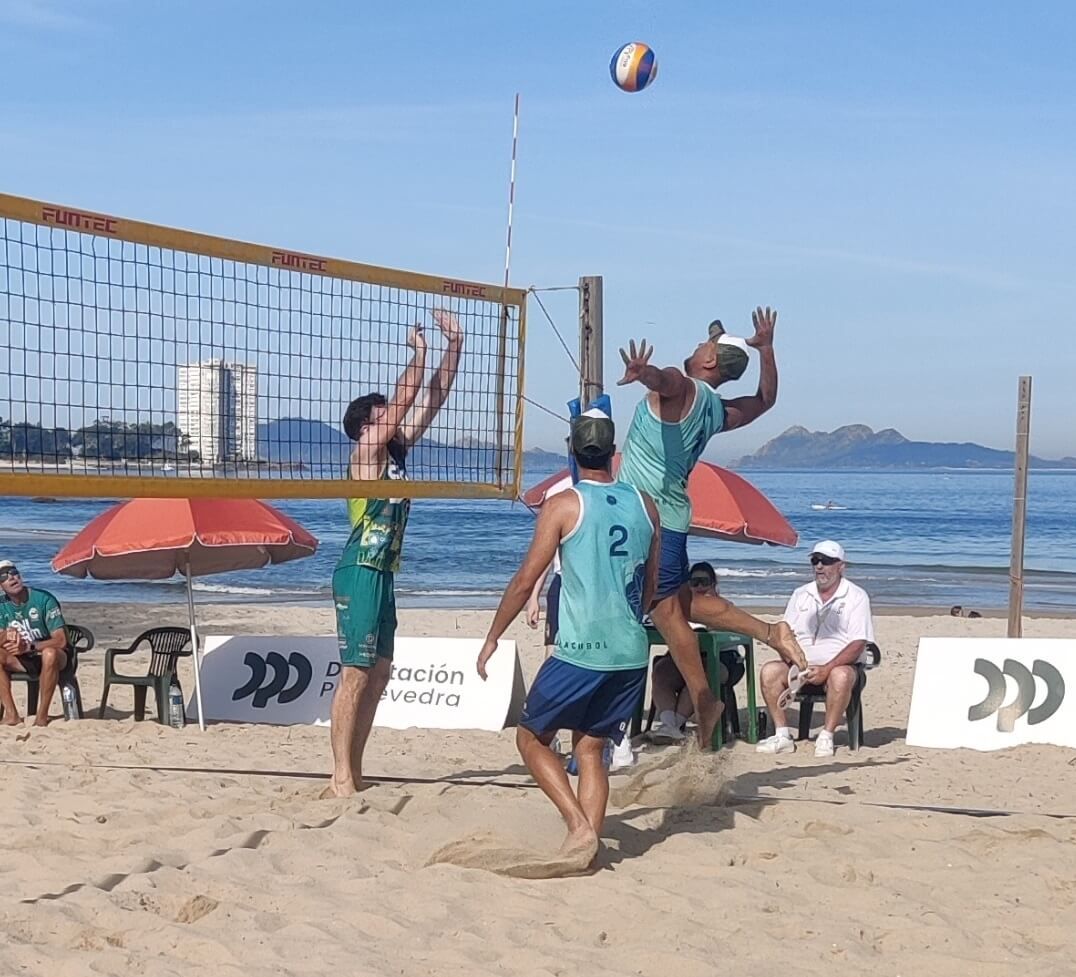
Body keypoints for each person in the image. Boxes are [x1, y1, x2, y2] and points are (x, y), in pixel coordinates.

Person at [476, 410, 659, 866]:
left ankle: (578, 827)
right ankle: (588, 849)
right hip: (631, 649)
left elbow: (526, 580)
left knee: (531, 738)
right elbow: (651, 586)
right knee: (591, 747)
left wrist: (493, 635)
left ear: (572, 451)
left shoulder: (563, 504)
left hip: (582, 650)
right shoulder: (646, 504)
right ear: (614, 453)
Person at [617, 307, 806, 748]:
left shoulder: (686, 389)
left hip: (654, 520)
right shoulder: (718, 411)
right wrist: (767, 350)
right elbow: (765, 400)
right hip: (666, 515)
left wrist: (646, 375)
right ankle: (770, 632)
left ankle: (703, 697)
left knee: (665, 610)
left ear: (710, 361)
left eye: (704, 344)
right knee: (684, 603)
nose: (697, 345)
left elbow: (668, 380)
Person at [325, 310, 464, 797]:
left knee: (379, 674)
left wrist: (454, 345)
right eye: (385, 413)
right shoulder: (364, 455)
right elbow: (407, 397)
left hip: (383, 572)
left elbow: (433, 398)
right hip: (359, 568)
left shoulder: (394, 454)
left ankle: (355, 770)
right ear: (368, 425)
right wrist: (419, 353)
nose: (396, 416)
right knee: (356, 675)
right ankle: (340, 776)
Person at [756, 540, 875, 758]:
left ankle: (826, 736)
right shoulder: (801, 594)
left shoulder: (856, 596)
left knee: (840, 676)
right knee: (769, 671)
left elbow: (858, 643)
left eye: (826, 561)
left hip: (840, 668)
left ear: (841, 566)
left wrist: (826, 668)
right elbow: (785, 634)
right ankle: (782, 735)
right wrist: (794, 662)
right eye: (815, 560)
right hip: (799, 667)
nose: (820, 566)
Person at [649, 561, 746, 743]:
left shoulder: (724, 607)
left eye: (704, 582)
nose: (700, 587)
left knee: (701, 672)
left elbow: (738, 634)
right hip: (684, 658)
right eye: (695, 582)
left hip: (721, 660)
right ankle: (669, 723)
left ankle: (674, 725)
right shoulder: (678, 610)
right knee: (661, 670)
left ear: (713, 584)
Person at [0, 560, 69, 726]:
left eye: (14, 572)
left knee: (49, 653)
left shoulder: (43, 599)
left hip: (55, 656)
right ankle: (11, 714)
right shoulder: (2, 606)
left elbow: (61, 640)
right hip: (22, 659)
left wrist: (29, 646)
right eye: (4, 576)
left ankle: (42, 716)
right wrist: (6, 635)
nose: (12, 578)